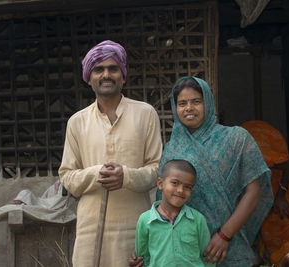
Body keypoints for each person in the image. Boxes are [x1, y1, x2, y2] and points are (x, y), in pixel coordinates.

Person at [130, 76, 273, 267]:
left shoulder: (236, 139)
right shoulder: (172, 149)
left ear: (208, 103)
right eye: (182, 103)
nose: (189, 108)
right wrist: (150, 252)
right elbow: (164, 204)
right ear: (175, 108)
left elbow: (254, 191)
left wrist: (225, 234)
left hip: (230, 243)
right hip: (184, 250)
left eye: (196, 101)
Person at [58, 40, 162, 267]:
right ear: (89, 78)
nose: (106, 74)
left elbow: (157, 170)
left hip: (135, 227)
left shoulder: (145, 114)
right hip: (90, 231)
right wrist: (97, 174)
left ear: (123, 76)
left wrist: (126, 176)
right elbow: (67, 176)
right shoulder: (77, 122)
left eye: (113, 69)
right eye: (99, 69)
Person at [242, 120, 289, 267]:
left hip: (277, 184)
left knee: (281, 226)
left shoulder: (265, 156)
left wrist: (281, 196)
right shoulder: (237, 158)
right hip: (247, 194)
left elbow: (288, 165)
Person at [135, 159, 215, 267]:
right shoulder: (145, 220)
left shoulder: (198, 220)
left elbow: (208, 258)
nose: (180, 190)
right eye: (175, 183)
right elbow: (143, 258)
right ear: (160, 184)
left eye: (187, 187)